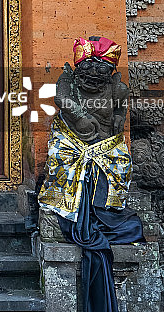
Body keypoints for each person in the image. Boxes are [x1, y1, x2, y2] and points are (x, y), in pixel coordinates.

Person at [38, 36, 144, 312]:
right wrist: (80, 119)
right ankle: (67, 207)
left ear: (110, 76)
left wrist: (117, 121)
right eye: (87, 73)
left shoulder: (118, 90)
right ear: (77, 72)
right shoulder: (67, 83)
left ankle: (104, 211)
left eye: (101, 75)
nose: (93, 80)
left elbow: (120, 112)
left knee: (120, 164)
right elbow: (62, 100)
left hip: (106, 144)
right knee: (63, 160)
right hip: (71, 140)